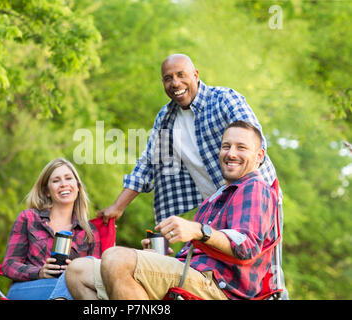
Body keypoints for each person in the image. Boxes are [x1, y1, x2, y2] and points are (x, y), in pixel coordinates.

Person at [98, 53, 286, 297]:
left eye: (181, 75)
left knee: (265, 271)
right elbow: (148, 164)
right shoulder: (166, 119)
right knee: (203, 261)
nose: (175, 83)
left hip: (250, 193)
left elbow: (250, 139)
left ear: (195, 75)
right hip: (215, 203)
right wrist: (118, 206)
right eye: (168, 78)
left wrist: (251, 188)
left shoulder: (224, 99)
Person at [66, 121, 279, 300]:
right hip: (191, 272)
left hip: (220, 287)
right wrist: (160, 257)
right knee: (77, 271)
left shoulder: (255, 188)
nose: (231, 153)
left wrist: (199, 230)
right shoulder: (218, 196)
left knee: (116, 259)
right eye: (226, 146)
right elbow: (200, 251)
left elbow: (247, 246)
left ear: (259, 155)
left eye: (241, 147)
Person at [1, 158, 102, 300]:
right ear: (47, 191)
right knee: (71, 284)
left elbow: (95, 278)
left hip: (72, 291)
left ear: (78, 187)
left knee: (82, 272)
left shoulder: (89, 232)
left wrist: (75, 270)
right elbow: (9, 265)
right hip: (29, 288)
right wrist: (40, 272)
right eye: (56, 181)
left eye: (68, 178)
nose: (63, 184)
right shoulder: (29, 218)